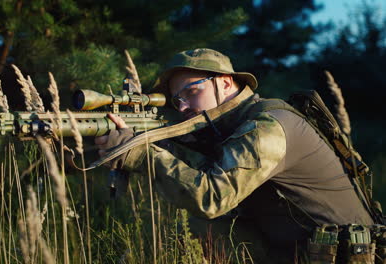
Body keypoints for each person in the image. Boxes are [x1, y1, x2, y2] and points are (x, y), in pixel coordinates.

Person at [95, 48, 374, 262]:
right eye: (177, 100)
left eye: (192, 92)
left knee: (199, 225)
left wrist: (143, 155)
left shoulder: (267, 127)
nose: (183, 107)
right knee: (205, 229)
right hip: (301, 251)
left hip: (346, 257)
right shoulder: (227, 127)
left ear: (226, 83)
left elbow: (212, 198)